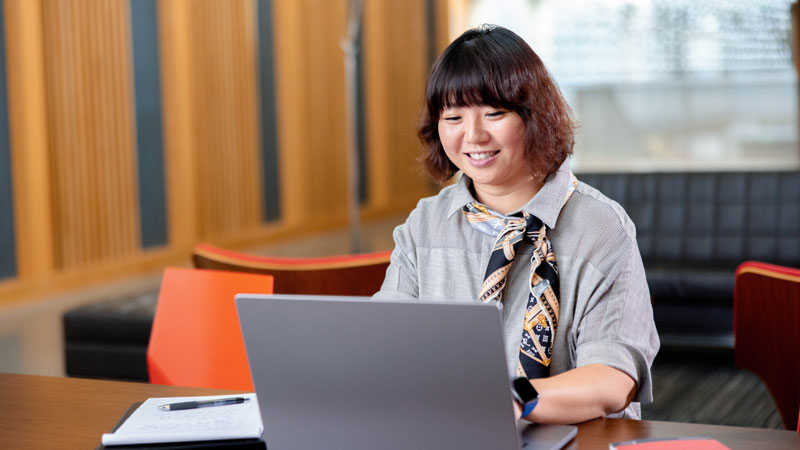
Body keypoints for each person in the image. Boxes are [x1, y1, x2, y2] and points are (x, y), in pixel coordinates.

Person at [374, 25, 659, 424]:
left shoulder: (601, 228)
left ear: (535, 116)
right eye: (453, 116)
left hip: (575, 438)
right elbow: (384, 341)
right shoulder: (425, 225)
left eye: (494, 113)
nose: (473, 135)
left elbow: (613, 379)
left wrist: (507, 399)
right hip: (452, 433)